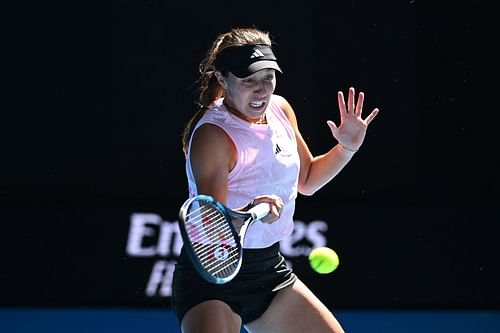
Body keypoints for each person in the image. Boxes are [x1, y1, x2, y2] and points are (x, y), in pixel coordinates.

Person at [172, 27, 379, 333]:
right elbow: (213, 223)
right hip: (213, 275)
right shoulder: (214, 135)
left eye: (267, 77)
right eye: (248, 81)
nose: (261, 90)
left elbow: (307, 180)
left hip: (268, 272)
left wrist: (346, 147)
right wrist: (252, 212)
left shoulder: (280, 109)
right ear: (221, 79)